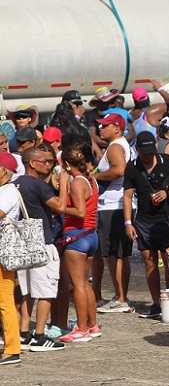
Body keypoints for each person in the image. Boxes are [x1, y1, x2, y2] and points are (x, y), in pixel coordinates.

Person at [123, 131, 169, 319]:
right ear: (137, 150)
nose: (148, 156)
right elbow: (127, 195)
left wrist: (167, 192)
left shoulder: (167, 161)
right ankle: (157, 303)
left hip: (166, 219)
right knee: (149, 262)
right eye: (144, 153)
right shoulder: (132, 167)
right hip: (144, 221)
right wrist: (128, 222)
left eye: (151, 152)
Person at [15, 146, 68, 351]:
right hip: (42, 243)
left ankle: (24, 332)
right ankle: (39, 336)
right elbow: (61, 207)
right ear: (32, 163)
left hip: (24, 243)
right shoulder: (38, 185)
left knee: (28, 291)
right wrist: (63, 185)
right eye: (45, 161)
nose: (49, 164)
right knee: (45, 291)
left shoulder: (15, 184)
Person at [57, 141, 102, 343]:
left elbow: (79, 211)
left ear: (67, 164)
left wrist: (58, 206)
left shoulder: (76, 183)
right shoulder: (90, 179)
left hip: (77, 235)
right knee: (85, 284)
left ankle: (82, 329)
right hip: (90, 235)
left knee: (79, 285)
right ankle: (92, 325)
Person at [94, 113, 134, 312]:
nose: (101, 129)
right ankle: (121, 296)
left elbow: (119, 170)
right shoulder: (121, 145)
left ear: (117, 128)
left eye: (105, 126)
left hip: (112, 205)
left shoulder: (116, 146)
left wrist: (95, 177)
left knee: (113, 255)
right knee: (119, 254)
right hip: (119, 205)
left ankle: (120, 298)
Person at [0, 152, 22, 365]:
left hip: (3, 254)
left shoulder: (8, 192)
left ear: (3, 171)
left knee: (5, 300)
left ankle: (12, 349)